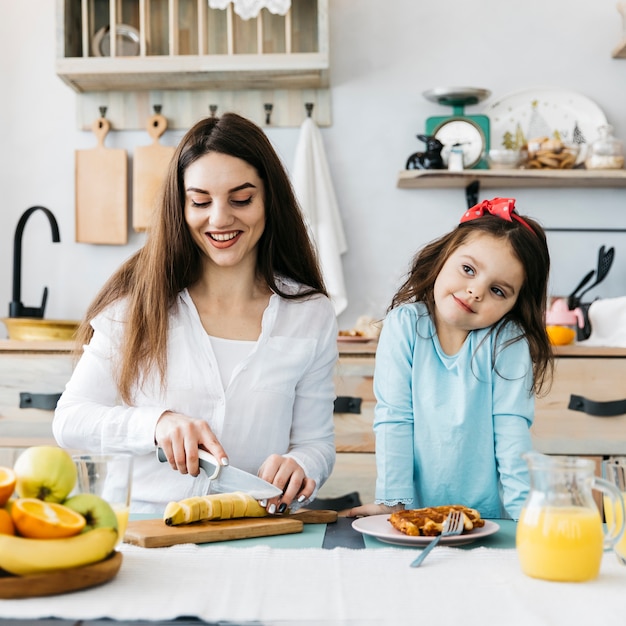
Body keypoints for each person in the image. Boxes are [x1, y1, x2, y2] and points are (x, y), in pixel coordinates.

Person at [53, 112, 337, 515]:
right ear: (180, 207)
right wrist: (156, 424)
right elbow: (70, 421)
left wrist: (302, 464)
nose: (220, 218)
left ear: (269, 199)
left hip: (254, 531)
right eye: (200, 201)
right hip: (145, 530)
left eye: (241, 199)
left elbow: (317, 443)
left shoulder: (309, 313)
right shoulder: (137, 304)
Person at [347, 198, 553, 520]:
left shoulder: (508, 342)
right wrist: (393, 503)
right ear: (445, 255)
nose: (475, 292)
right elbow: (394, 418)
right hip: (414, 516)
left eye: (498, 290)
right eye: (468, 270)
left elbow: (512, 436)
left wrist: (524, 521)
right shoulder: (405, 326)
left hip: (487, 521)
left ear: (515, 303)